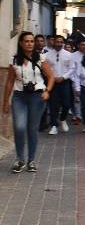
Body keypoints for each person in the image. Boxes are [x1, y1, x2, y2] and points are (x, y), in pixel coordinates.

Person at [3, 31, 53, 172]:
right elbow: (9, 82)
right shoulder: (14, 60)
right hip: (19, 97)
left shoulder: (41, 58)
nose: (30, 43)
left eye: (32, 41)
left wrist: (47, 91)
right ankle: (20, 159)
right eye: (26, 41)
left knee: (32, 129)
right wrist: (5, 102)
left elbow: (51, 77)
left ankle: (31, 160)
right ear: (21, 43)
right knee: (19, 127)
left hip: (37, 97)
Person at [44, 34, 74, 135]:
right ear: (53, 42)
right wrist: (52, 77)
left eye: (61, 42)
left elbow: (72, 68)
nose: (59, 44)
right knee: (53, 105)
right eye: (57, 42)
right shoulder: (47, 55)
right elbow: (45, 69)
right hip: (52, 82)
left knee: (66, 104)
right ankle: (54, 125)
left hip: (64, 82)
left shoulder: (69, 55)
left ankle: (63, 119)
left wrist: (64, 77)